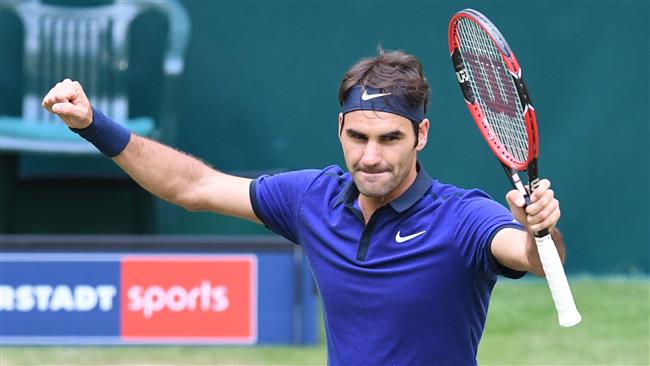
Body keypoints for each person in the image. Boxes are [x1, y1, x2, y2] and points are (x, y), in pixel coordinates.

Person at [42, 48, 564, 365]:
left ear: (421, 135)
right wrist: (94, 125)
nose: (371, 156)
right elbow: (193, 187)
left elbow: (530, 256)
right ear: (340, 129)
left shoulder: (464, 217)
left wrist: (540, 232)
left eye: (390, 139)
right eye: (358, 136)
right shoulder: (311, 198)